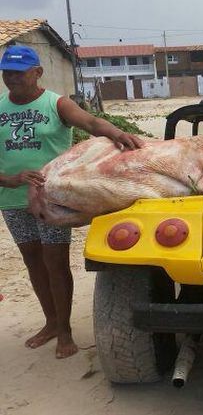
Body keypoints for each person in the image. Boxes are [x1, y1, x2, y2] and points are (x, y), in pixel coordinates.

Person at [0, 45, 144, 358]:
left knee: (55, 261)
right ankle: (50, 322)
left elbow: (91, 124)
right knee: (33, 261)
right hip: (11, 199)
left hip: (53, 197)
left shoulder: (56, 104)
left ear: (37, 72)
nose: (12, 78)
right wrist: (9, 180)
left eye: (19, 72)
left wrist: (117, 133)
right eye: (6, 72)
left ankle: (64, 331)